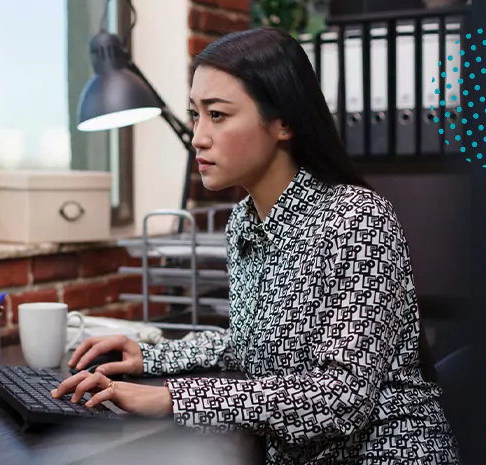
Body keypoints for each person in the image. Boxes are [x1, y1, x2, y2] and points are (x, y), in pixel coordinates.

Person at [52, 27, 461, 464]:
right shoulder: (244, 222)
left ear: (283, 122)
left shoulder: (358, 218)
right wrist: (150, 357)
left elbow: (341, 399)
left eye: (218, 115)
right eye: (195, 115)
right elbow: (251, 345)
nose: (198, 136)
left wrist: (173, 398)